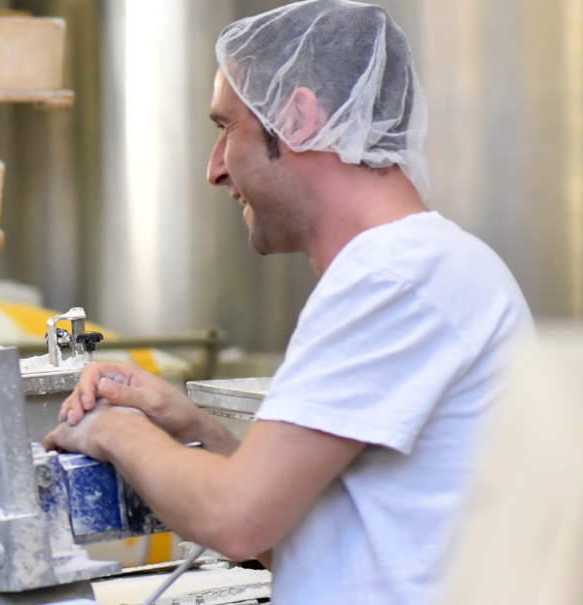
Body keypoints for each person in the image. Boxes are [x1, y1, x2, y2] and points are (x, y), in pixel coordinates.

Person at [43, 2, 532, 604]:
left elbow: (236, 520)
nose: (214, 170)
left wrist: (113, 431)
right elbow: (299, 539)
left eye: (226, 128)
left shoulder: (396, 277)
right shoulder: (408, 270)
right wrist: (194, 430)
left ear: (298, 117)